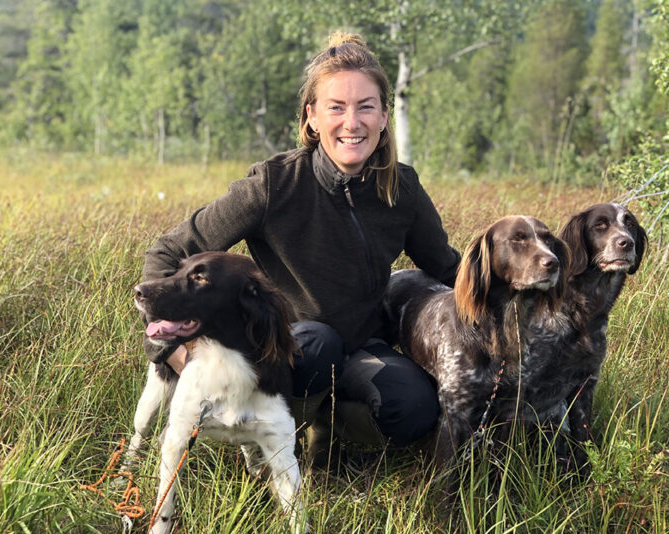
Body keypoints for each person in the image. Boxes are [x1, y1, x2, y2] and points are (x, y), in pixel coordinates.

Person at [140, 33, 460, 463]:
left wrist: (520, 292)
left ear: (384, 116)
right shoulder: (274, 184)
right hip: (280, 351)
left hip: (361, 348)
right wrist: (172, 351)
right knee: (319, 341)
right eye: (336, 107)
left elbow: (448, 267)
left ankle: (326, 432)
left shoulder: (401, 188)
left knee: (416, 408)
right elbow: (167, 253)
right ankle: (267, 447)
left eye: (366, 106)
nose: (353, 122)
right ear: (312, 117)